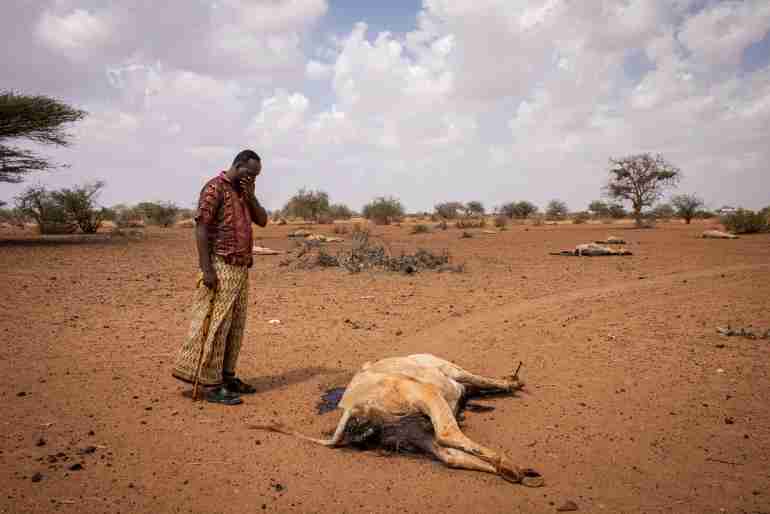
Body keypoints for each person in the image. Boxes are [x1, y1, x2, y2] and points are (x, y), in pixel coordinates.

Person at [172, 150, 268, 405]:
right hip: (220, 264)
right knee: (216, 325)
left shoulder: (243, 192)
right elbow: (201, 226)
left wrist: (251, 195)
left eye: (256, 176)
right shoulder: (215, 188)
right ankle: (211, 384)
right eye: (249, 173)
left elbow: (263, 221)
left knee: (235, 326)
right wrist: (207, 269)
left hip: (241, 268)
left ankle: (227, 376)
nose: (251, 178)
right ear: (237, 165)